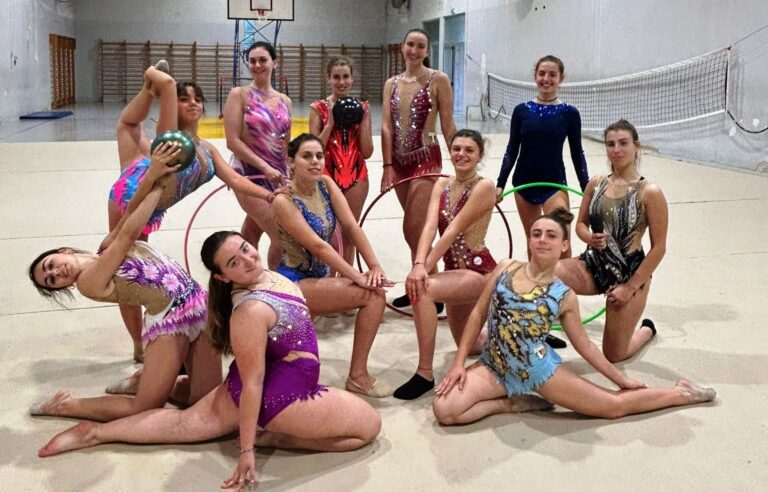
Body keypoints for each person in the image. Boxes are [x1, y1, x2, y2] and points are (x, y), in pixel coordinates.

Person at [37, 231, 382, 492]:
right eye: (234, 263)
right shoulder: (250, 311)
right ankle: (94, 433)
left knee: (184, 424)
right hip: (282, 396)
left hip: (269, 381)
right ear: (223, 277)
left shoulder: (270, 276)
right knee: (368, 427)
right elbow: (253, 382)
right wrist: (246, 450)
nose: (247, 259)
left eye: (245, 249)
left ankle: (98, 430)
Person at [432, 208, 715, 425]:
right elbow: (478, 313)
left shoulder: (563, 294)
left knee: (612, 407)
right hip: (495, 365)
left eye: (551, 235)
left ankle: (680, 393)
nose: (542, 240)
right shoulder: (506, 268)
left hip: (537, 370)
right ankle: (511, 403)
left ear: (564, 246)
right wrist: (458, 363)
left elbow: (585, 346)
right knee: (444, 410)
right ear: (529, 240)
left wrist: (621, 380)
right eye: (536, 234)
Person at [29, 150, 222, 425]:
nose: (55, 273)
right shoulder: (88, 282)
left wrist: (153, 175)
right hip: (170, 323)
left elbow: (130, 212)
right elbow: (129, 233)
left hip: (197, 304)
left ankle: (144, 380)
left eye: (50, 265)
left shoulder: (103, 248)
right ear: (63, 287)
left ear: (63, 251)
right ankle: (66, 405)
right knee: (144, 408)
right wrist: (157, 184)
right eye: (52, 280)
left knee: (204, 399)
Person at [108, 62, 272, 362]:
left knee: (128, 126)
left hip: (153, 205)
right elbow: (168, 85)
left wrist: (270, 194)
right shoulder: (170, 138)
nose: (193, 103)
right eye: (184, 99)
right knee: (127, 274)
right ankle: (138, 343)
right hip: (131, 197)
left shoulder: (207, 149)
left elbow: (236, 180)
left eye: (198, 98)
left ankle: (147, 88)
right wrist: (157, 78)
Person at [271, 134, 394, 397]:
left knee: (374, 292)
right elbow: (319, 247)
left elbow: (351, 226)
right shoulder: (284, 201)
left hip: (319, 280)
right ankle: (357, 377)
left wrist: (374, 266)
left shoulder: (325, 184)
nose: (315, 162)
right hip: (294, 284)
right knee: (373, 296)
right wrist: (357, 276)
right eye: (306, 156)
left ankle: (358, 375)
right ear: (291, 162)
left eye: (319, 156)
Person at [393, 129, 496, 400]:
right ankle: (513, 333)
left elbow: (453, 231)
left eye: (469, 150)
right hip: (455, 272)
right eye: (457, 149)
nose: (462, 154)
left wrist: (423, 269)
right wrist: (419, 262)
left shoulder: (484, 187)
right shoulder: (442, 184)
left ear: (480, 156)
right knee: (470, 344)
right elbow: (429, 227)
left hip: (478, 272)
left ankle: (424, 374)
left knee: (423, 290)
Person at [555, 119, 666, 362]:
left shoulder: (650, 192)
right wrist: (589, 238)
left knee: (614, 354)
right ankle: (537, 332)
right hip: (593, 264)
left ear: (636, 146)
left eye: (623, 143)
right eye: (610, 144)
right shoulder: (596, 183)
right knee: (543, 275)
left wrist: (630, 287)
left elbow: (659, 248)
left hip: (628, 273)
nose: (616, 149)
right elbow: (580, 224)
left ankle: (646, 331)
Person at [381, 28, 456, 310]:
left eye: (420, 46)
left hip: (426, 159)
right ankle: (426, 286)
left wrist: (461, 165)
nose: (414, 50)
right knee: (417, 231)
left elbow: (447, 124)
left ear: (427, 51)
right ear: (403, 47)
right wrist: (388, 165)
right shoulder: (391, 83)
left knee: (413, 229)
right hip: (399, 163)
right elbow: (386, 127)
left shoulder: (438, 80)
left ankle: (428, 285)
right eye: (410, 44)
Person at [495, 55, 590, 259]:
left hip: (554, 183)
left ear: (561, 79)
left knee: (562, 243)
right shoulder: (521, 111)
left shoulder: (569, 113)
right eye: (542, 73)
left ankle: (562, 280)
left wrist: (587, 188)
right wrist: (500, 184)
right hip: (524, 183)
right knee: (535, 243)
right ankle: (536, 281)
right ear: (535, 76)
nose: (546, 79)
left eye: (552, 75)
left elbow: (577, 153)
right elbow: (512, 149)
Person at [224, 41, 292, 272]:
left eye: (263, 60)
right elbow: (233, 141)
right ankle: (277, 283)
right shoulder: (239, 94)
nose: (257, 65)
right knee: (282, 234)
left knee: (252, 231)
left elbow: (286, 144)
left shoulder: (285, 101)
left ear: (275, 62)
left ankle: (240, 281)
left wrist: (291, 173)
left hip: (278, 176)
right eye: (252, 61)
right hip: (249, 175)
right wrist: (265, 168)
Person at [309, 55, 374, 268]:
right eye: (336, 77)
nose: (342, 82)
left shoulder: (362, 108)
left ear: (352, 78)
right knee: (329, 233)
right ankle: (330, 278)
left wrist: (364, 120)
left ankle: (347, 279)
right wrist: (329, 124)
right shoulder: (318, 108)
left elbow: (367, 151)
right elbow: (313, 151)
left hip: (356, 176)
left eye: (346, 76)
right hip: (326, 177)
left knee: (349, 233)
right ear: (328, 78)